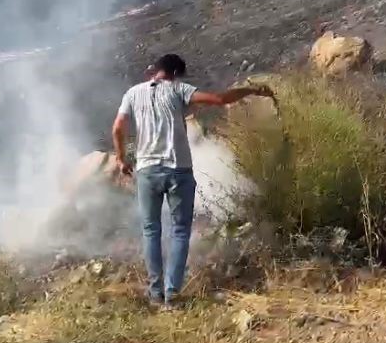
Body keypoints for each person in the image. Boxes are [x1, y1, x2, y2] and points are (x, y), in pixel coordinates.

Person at [112, 54, 272, 308]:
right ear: (176, 74)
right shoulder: (179, 89)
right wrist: (250, 89)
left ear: (155, 71)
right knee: (179, 231)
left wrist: (121, 159)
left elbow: (118, 127)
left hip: (147, 172)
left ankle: (156, 293)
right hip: (178, 171)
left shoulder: (133, 93)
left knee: (151, 231)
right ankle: (172, 292)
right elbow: (219, 100)